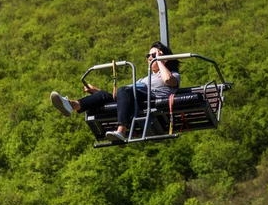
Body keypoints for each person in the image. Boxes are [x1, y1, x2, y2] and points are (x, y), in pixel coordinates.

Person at [50, 41, 180, 142]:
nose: (150, 58)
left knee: (124, 90)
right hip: (132, 96)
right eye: (149, 56)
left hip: (150, 98)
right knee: (102, 95)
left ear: (164, 57)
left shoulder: (173, 75)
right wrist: (96, 91)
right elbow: (122, 95)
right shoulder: (145, 78)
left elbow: (168, 80)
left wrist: (161, 61)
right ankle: (71, 105)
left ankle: (121, 131)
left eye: (154, 55)